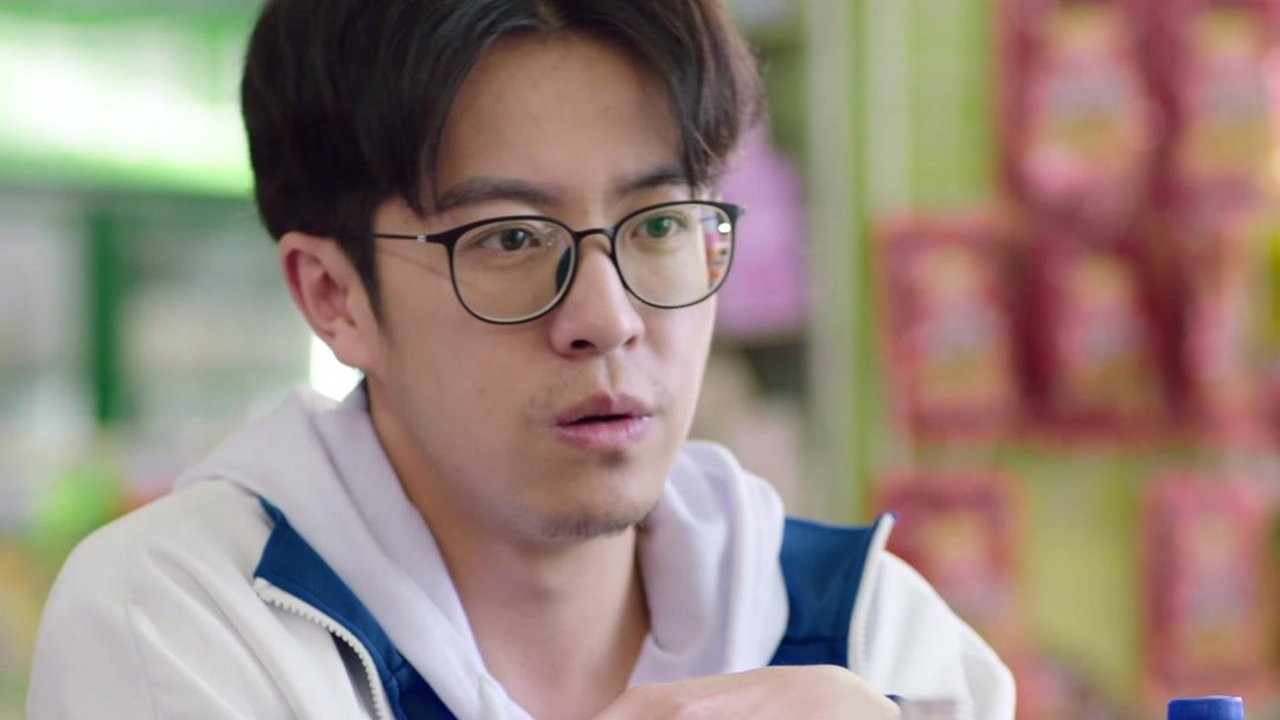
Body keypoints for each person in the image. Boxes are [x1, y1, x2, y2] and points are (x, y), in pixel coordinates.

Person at [27, 1, 1016, 718]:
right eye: (508, 238)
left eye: (659, 224)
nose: (607, 318)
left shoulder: (873, 638)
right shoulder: (181, 621)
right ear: (332, 296)